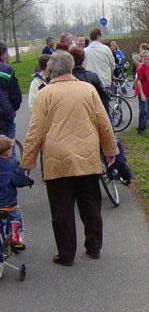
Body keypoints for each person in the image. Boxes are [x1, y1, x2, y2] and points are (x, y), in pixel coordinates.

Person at [20, 50, 118, 266]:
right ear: (72, 67)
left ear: (50, 71)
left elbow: (35, 131)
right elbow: (104, 123)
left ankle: (66, 255)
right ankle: (94, 247)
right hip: (87, 156)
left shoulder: (45, 94)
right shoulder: (88, 90)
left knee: (61, 210)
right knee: (90, 205)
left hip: (57, 159)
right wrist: (110, 151)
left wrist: (28, 161)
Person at [0, 135, 33, 251]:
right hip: (9, 205)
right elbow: (19, 181)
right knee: (15, 218)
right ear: (8, 151)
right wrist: (29, 181)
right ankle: (15, 238)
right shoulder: (13, 165)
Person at [69, 47, 109, 111]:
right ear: (83, 59)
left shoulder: (66, 78)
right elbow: (102, 96)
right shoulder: (92, 76)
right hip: (91, 111)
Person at [0, 42, 22, 157]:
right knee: (9, 150)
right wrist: (11, 108)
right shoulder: (7, 70)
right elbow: (16, 96)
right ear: (3, 54)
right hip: (5, 116)